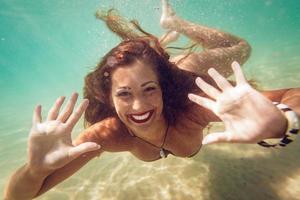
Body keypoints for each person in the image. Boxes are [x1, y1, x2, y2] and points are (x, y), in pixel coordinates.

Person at [4, 0, 300, 199]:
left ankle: (174, 22)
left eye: (149, 89)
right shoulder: (107, 135)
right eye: (124, 94)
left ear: (163, 87)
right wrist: (35, 170)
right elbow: (18, 196)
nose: (139, 106)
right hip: (158, 71)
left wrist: (283, 120)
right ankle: (159, 50)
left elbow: (293, 95)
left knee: (241, 48)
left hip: (188, 69)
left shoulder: (194, 104)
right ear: (108, 97)